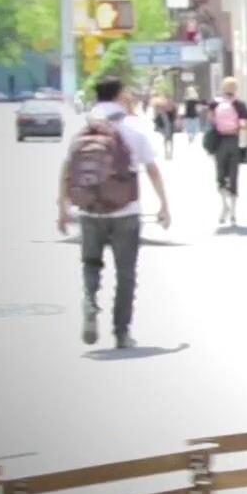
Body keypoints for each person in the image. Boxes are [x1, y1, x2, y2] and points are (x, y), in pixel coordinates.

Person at [58, 76, 170, 350]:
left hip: (89, 210)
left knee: (90, 263)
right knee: (125, 274)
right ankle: (121, 333)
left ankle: (90, 300)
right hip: (125, 211)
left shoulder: (82, 130)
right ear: (119, 96)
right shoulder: (132, 130)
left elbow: (67, 170)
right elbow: (152, 170)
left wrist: (63, 207)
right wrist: (164, 205)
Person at [207, 77, 247, 227]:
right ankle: (233, 211)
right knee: (234, 175)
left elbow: (210, 121)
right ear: (236, 89)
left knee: (220, 175)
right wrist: (245, 145)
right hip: (234, 141)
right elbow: (245, 125)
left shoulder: (215, 103)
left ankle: (224, 205)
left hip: (219, 142)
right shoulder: (239, 105)